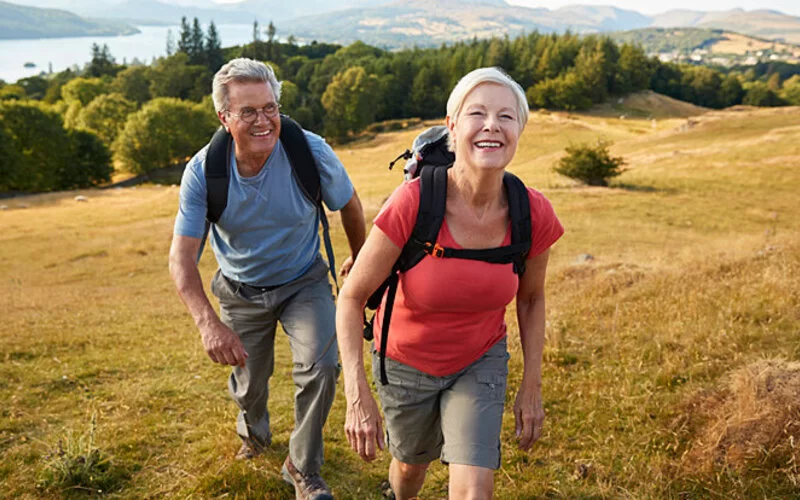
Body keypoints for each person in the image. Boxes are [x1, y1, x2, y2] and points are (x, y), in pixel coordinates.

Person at [336, 67, 564, 499]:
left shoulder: (532, 212)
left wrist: (531, 386)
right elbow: (351, 298)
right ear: (452, 127)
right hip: (405, 361)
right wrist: (356, 394)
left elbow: (531, 300)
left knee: (475, 489)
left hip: (479, 359)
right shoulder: (415, 201)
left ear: (519, 130)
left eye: (506, 116)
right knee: (408, 471)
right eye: (477, 113)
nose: (492, 125)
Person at [169, 58, 365, 500]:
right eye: (248, 112)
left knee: (322, 366)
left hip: (304, 280)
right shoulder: (204, 171)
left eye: (270, 108)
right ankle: (253, 434)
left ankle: (302, 466)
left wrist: (358, 260)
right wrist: (207, 323)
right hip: (239, 290)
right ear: (224, 117)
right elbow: (181, 258)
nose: (264, 121)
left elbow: (349, 205)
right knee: (249, 383)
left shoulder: (308, 150)